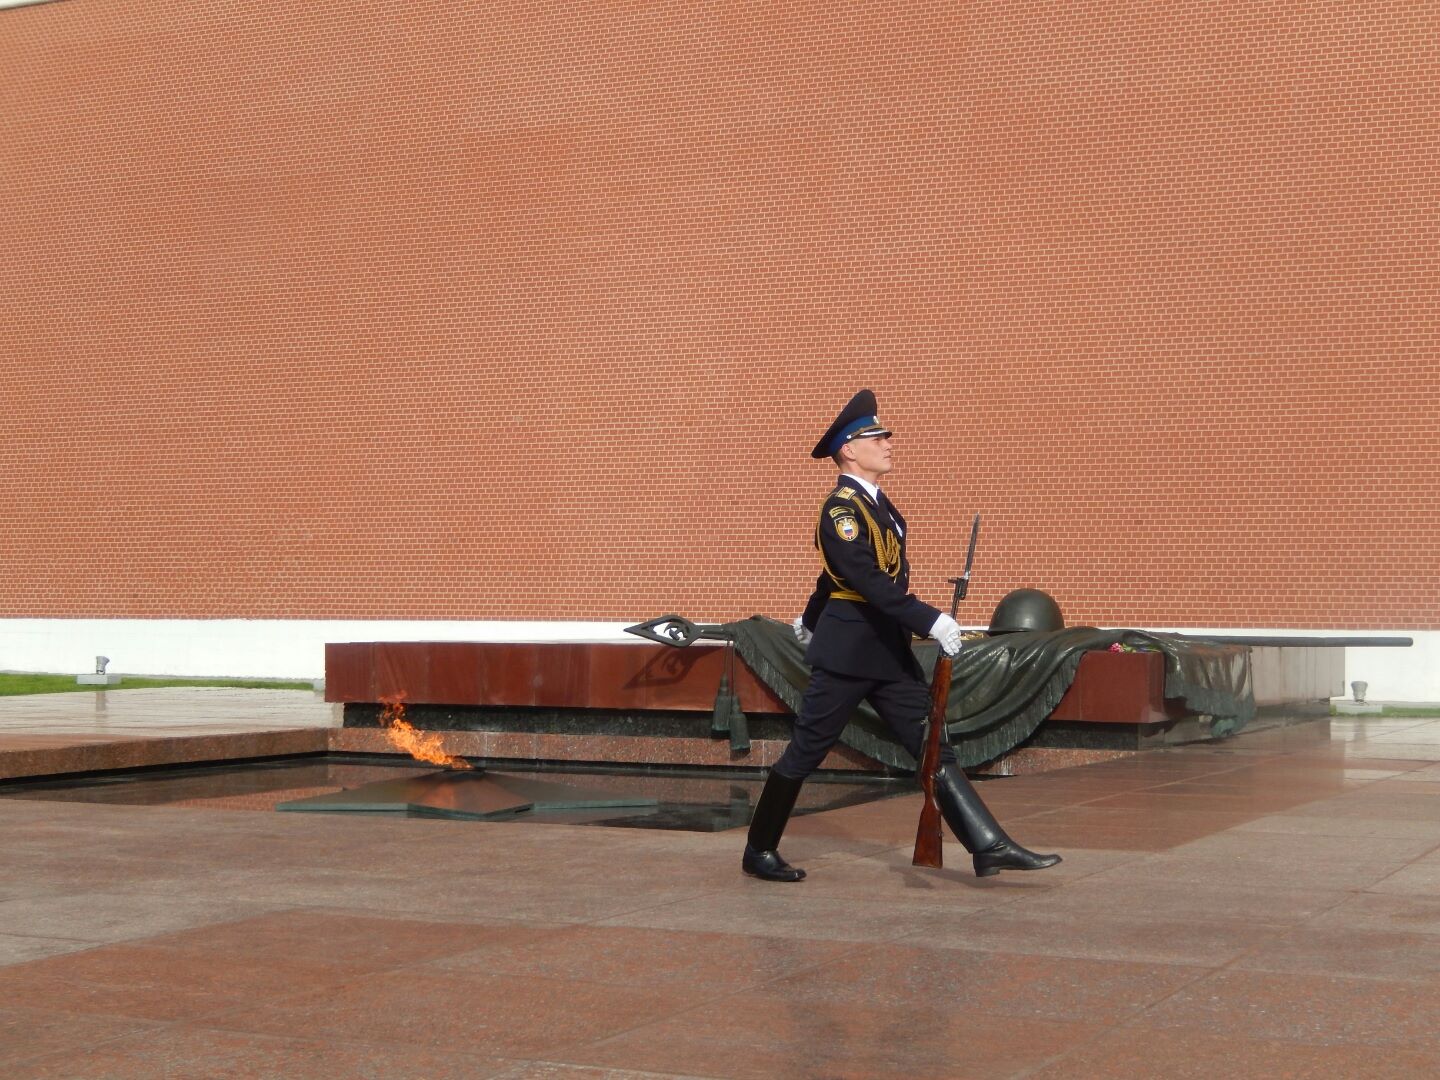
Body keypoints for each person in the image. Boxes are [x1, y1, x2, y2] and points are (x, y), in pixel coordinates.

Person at [742, 389, 1062, 882]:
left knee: (932, 745)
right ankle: (759, 849)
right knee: (806, 750)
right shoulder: (841, 510)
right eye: (876, 436)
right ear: (849, 448)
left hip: (887, 653)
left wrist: (809, 617)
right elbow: (864, 579)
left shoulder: (881, 506)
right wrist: (929, 619)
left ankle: (988, 845)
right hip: (850, 654)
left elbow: (834, 579)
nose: (888, 442)